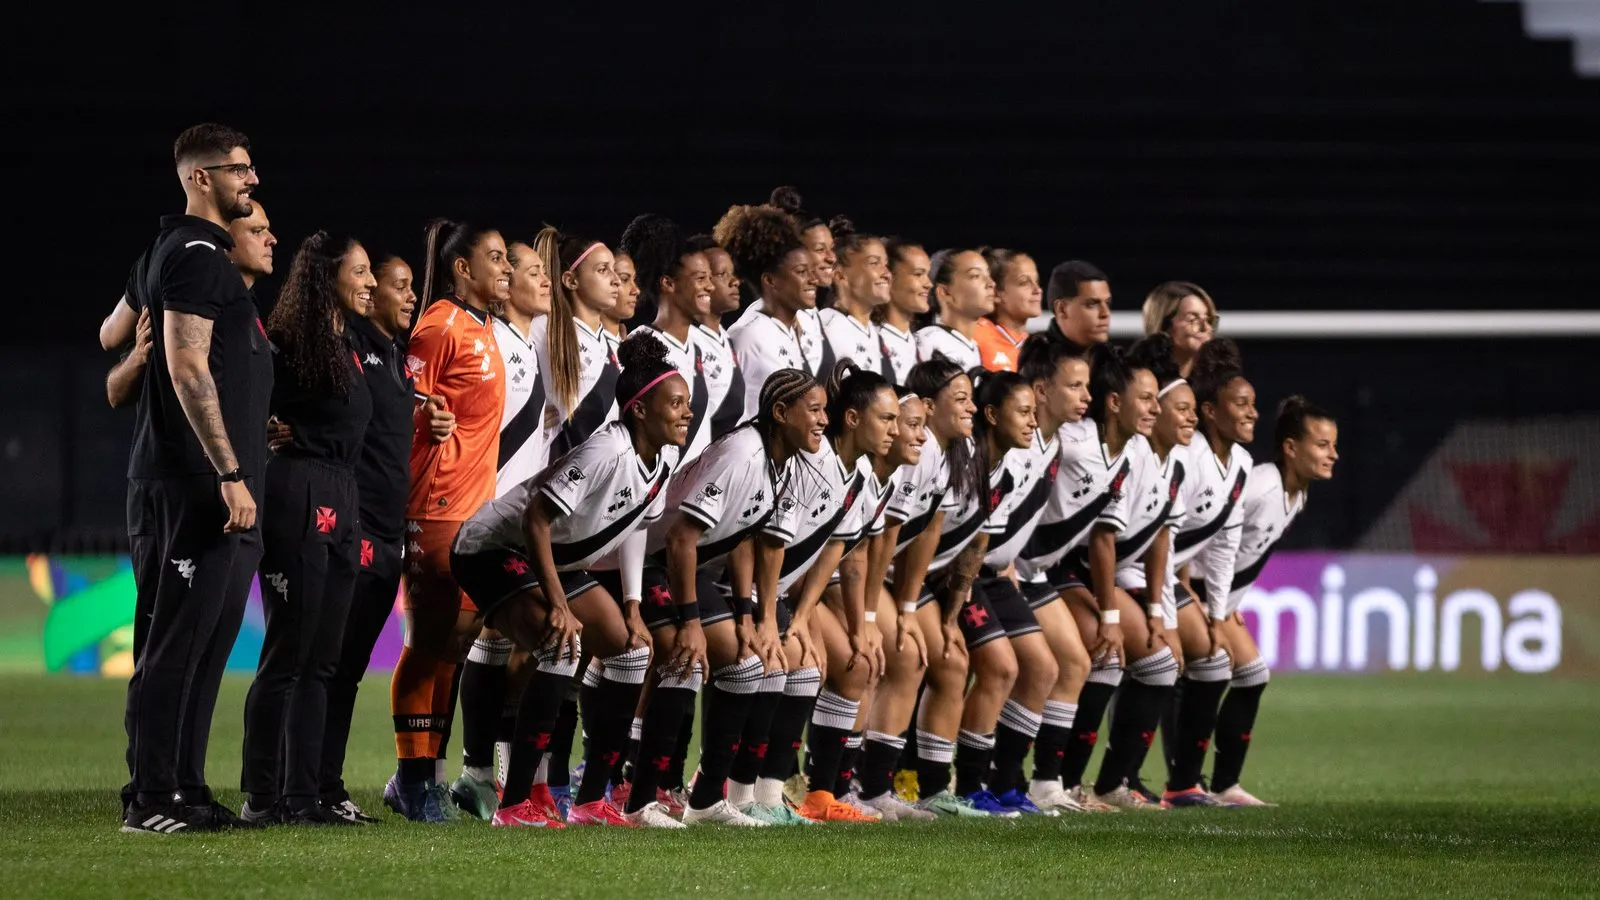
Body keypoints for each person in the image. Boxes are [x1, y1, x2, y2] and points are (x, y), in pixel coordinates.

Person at [452, 336, 692, 828]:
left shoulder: (660, 462)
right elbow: (535, 518)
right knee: (561, 645)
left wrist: (631, 606)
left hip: (549, 560)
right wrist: (559, 604)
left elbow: (634, 529)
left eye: (688, 402)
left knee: (631, 651)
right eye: (677, 403)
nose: (687, 413)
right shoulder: (606, 449)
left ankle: (588, 803)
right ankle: (515, 804)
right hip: (491, 548)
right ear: (641, 409)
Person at [122, 123, 271, 834]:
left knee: (204, 647)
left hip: (199, 482)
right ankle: (148, 799)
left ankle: (183, 789)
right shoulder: (195, 256)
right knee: (174, 647)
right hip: (190, 484)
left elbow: (109, 333)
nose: (252, 180)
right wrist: (230, 470)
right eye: (239, 169)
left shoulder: (166, 252)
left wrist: (131, 360)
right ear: (199, 178)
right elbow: (186, 366)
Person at [615, 369, 821, 827]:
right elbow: (681, 539)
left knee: (748, 662)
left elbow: (745, 537)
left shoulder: (779, 458)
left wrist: (751, 617)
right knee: (685, 656)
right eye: (815, 410)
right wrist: (691, 622)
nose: (823, 421)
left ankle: (706, 802)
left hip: (684, 564)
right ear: (781, 414)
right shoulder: (743, 454)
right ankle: (638, 801)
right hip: (644, 557)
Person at [239, 232, 374, 826]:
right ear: (327, 277)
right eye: (362, 271)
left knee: (323, 659)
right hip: (299, 491)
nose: (370, 282)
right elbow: (246, 394)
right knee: (288, 653)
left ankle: (304, 796)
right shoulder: (290, 343)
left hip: (343, 494)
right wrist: (265, 428)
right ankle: (261, 796)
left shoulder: (347, 344)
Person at [383, 219, 510, 822]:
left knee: (453, 648)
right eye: (495, 257)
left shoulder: (484, 328)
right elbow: (401, 396)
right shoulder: (440, 324)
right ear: (464, 269)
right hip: (433, 507)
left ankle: (424, 777)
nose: (506, 268)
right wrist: (423, 419)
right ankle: (411, 780)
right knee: (427, 645)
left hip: (472, 512)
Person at [732, 361, 894, 825]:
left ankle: (778, 796)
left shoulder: (860, 475)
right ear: (854, 418)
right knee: (774, 666)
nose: (896, 430)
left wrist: (801, 618)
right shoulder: (810, 462)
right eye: (887, 419)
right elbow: (769, 543)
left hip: (783, 596)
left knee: (805, 670)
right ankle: (733, 792)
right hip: (743, 587)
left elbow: (838, 551)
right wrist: (768, 617)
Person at [318, 250, 434, 824]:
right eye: (399, 285)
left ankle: (320, 783)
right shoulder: (353, 348)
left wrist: (425, 413)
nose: (409, 296)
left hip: (391, 532)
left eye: (412, 286)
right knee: (332, 665)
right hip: (356, 527)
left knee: (349, 667)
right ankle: (311, 784)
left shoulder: (395, 358)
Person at [451, 236, 553, 819]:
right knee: (475, 643)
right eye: (529, 272)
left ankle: (480, 773)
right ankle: (458, 772)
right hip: (483, 517)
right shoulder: (486, 337)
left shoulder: (525, 341)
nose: (540, 281)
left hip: (518, 520)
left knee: (502, 642)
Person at [1195, 395, 1337, 807]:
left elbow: (1245, 555)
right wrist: (1192, 592)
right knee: (1200, 674)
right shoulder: (1259, 486)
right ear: (1291, 448)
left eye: (1334, 445)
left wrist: (1230, 605)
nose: (1334, 454)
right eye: (1323, 445)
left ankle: (1224, 787)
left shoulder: (1298, 495)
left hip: (1218, 601)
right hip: (1191, 594)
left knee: (1252, 674)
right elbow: (1201, 532)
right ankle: (1180, 782)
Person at [1010, 335, 1129, 814]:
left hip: (1030, 571)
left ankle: (1045, 784)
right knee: (1025, 667)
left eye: (1086, 386)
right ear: (1041, 391)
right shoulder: (1042, 444)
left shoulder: (1055, 441)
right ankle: (993, 780)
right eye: (1074, 386)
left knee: (1075, 664)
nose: (1085, 396)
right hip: (999, 571)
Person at [1082, 334, 1191, 809]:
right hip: (1081, 572)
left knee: (1156, 662)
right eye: (1149, 400)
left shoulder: (1173, 465)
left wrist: (1158, 613)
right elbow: (1103, 539)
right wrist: (1113, 613)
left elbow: (1158, 542)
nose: (1189, 416)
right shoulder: (1133, 455)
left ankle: (1110, 782)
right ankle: (1070, 782)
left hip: (1116, 578)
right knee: (1121, 660)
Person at [1160, 338, 1256, 808]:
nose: (1252, 413)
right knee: (1158, 663)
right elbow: (1159, 536)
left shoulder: (1240, 463)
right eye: (1241, 404)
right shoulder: (1189, 457)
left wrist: (1217, 615)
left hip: (1164, 577)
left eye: (1253, 404)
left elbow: (1224, 546)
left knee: (1217, 660)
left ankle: (1182, 784)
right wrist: (1165, 607)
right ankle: (1123, 781)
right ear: (1210, 411)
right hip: (1138, 574)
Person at [106, 203, 276, 409]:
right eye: (257, 231)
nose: (271, 240)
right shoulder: (189, 299)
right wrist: (138, 357)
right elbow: (114, 391)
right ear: (225, 240)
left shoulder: (245, 305)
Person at [622, 214, 716, 463]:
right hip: (656, 495)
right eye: (700, 278)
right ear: (668, 283)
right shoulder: (640, 344)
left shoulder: (702, 342)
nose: (710, 286)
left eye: (709, 277)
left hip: (696, 493)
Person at [719, 203, 821, 419]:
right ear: (770, 280)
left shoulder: (802, 326)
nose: (813, 280)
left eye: (812, 271)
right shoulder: (746, 335)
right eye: (801, 272)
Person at [531, 228, 622, 456]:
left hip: (601, 476)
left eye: (613, 269)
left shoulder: (614, 342)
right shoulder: (544, 328)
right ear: (571, 280)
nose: (616, 279)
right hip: (552, 475)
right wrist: (532, 416)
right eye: (603, 270)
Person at [687, 233, 744, 441]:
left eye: (733, 273)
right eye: (722, 274)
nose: (735, 281)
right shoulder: (690, 340)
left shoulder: (726, 338)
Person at [817, 218, 891, 377]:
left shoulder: (874, 330)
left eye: (885, 264)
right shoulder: (825, 329)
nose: (887, 274)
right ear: (840, 275)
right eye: (874, 263)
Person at [915, 249, 995, 370]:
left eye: (988, 275)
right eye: (975, 276)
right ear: (945, 292)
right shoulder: (928, 341)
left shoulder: (972, 345)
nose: (991, 283)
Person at [973, 249, 1041, 372]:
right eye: (1024, 282)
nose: (1037, 290)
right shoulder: (976, 335)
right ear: (996, 292)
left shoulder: (1039, 347)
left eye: (1037, 281)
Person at [877, 238, 930, 384]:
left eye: (928, 275)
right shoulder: (873, 340)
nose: (929, 284)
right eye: (918, 274)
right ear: (889, 278)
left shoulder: (921, 343)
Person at [1141, 281, 1218, 378]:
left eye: (1208, 319)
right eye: (1193, 319)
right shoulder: (1136, 383)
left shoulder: (1217, 385)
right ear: (1164, 324)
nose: (1206, 328)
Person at [1043, 260, 1112, 350]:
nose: (1105, 313)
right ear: (1062, 309)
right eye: (1092, 304)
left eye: (1107, 303)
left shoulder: (1114, 360)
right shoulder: (1032, 361)